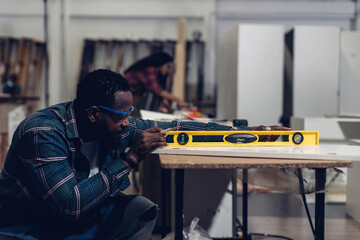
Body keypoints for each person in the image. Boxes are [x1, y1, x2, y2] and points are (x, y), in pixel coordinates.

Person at [0, 69, 289, 240]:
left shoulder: (113, 126)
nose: (127, 122)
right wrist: (130, 159)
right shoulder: (43, 131)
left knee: (141, 209)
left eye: (130, 114)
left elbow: (177, 126)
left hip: (73, 219)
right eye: (120, 116)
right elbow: (69, 205)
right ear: (93, 114)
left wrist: (253, 131)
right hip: (29, 224)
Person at [123, 52, 188, 117]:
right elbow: (158, 90)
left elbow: (160, 94)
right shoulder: (150, 71)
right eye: (168, 66)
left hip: (133, 93)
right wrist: (179, 100)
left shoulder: (156, 73)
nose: (169, 70)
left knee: (132, 114)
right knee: (131, 115)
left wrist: (166, 102)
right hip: (125, 91)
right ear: (161, 64)